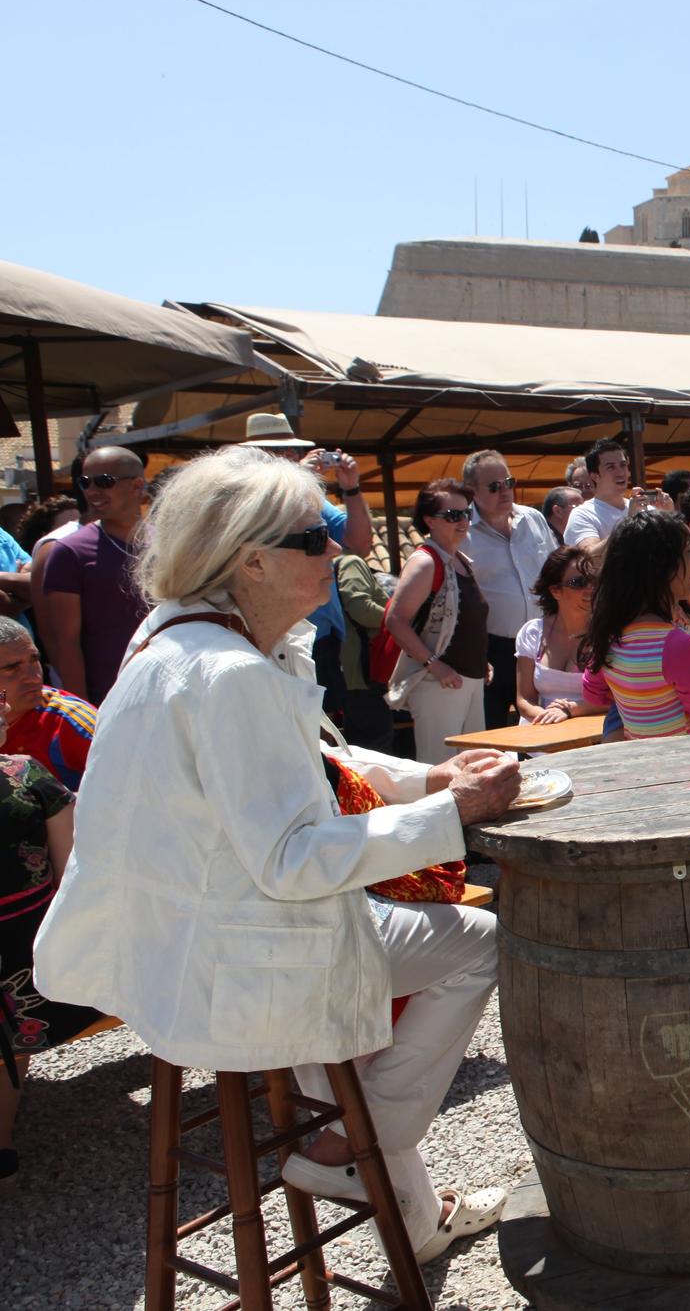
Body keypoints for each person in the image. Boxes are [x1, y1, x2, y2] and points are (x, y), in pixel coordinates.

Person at [32, 445, 518, 1260]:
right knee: (479, 943)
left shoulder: (174, 637)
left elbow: (313, 761)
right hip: (238, 971)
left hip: (171, 956)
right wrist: (452, 813)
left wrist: (431, 773)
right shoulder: (230, 672)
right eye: (314, 538)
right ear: (250, 560)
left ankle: (402, 1190)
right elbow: (294, 858)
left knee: (354, 939)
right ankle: (351, 1149)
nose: (337, 551)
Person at [234, 415, 376, 727]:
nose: (290, 458)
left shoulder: (309, 498)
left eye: (293, 452)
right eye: (279, 452)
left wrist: (351, 489)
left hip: (316, 636)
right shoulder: (240, 502)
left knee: (323, 729)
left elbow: (357, 544)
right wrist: (295, 478)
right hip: (269, 635)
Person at [0, 683, 86, 1191]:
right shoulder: (27, 775)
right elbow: (71, 875)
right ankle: (2, 1150)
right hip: (24, 957)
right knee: (13, 1031)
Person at [580, 509, 690, 738]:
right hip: (685, 766)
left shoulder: (609, 635)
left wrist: (640, 701)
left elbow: (593, 693)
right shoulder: (678, 645)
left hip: (642, 763)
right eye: (689, 551)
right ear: (662, 569)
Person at [384, 480, 491, 762]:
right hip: (437, 681)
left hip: (468, 678)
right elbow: (395, 621)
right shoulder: (425, 562)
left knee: (474, 765)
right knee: (440, 767)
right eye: (452, 515)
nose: (462, 521)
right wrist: (435, 664)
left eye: (465, 513)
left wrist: (481, 661)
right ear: (429, 520)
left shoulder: (461, 560)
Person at [41, 446, 151, 704]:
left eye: (104, 481)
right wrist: (84, 713)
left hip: (168, 693)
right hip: (108, 699)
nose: (92, 491)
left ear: (136, 485)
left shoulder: (169, 543)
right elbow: (66, 643)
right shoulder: (69, 552)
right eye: (85, 482)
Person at [464, 451, 558, 730]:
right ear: (472, 491)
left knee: (543, 726)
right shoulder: (461, 532)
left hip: (542, 643)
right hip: (491, 648)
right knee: (492, 729)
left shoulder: (533, 519)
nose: (505, 491)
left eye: (509, 482)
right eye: (494, 486)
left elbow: (557, 570)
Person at [0, 619, 95, 792]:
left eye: (34, 659)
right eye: (12, 668)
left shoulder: (70, 721)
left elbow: (131, 789)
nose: (34, 676)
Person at [514, 544, 597, 725]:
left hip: (589, 739)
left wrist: (570, 710)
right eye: (579, 583)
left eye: (594, 580)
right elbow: (524, 699)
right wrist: (547, 719)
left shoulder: (608, 635)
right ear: (555, 591)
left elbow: (615, 699)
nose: (590, 589)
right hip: (539, 735)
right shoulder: (532, 633)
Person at [333, 552, 396, 752]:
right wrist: (402, 622)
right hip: (364, 671)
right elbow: (361, 609)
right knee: (374, 744)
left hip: (352, 671)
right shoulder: (352, 561)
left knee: (362, 739)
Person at [563, 438, 633, 547]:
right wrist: (629, 523)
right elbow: (591, 557)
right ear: (595, 476)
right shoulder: (583, 514)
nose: (620, 472)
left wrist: (666, 514)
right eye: (611, 467)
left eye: (623, 465)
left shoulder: (644, 509)